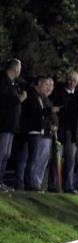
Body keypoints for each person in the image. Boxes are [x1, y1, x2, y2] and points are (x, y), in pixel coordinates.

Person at [16, 76, 54, 191]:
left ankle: (32, 183)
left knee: (35, 158)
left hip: (41, 131)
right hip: (32, 131)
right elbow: (33, 112)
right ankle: (27, 183)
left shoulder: (42, 98)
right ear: (39, 84)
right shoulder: (32, 95)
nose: (47, 87)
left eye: (49, 85)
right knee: (31, 159)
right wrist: (49, 111)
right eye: (45, 84)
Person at [49, 70, 78, 194]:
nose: (71, 82)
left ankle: (68, 185)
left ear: (77, 82)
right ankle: (53, 185)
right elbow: (54, 110)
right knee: (57, 158)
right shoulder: (59, 93)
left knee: (70, 160)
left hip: (71, 133)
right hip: (60, 130)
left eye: (74, 80)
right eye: (69, 79)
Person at [0, 58, 27, 192]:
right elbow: (4, 100)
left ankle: (1, 181)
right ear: (16, 68)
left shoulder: (14, 84)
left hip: (11, 126)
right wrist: (19, 99)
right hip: (4, 124)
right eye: (20, 68)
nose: (20, 71)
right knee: (1, 153)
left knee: (6, 155)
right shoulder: (3, 81)